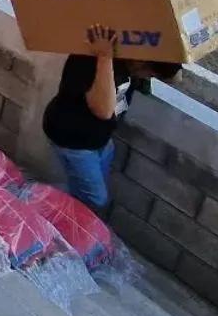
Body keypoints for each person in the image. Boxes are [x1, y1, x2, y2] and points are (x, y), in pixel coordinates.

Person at [43, 25, 181, 211]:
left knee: (86, 187)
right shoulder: (90, 59)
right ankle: (51, 211)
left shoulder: (134, 60)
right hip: (73, 140)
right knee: (95, 199)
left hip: (100, 140)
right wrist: (105, 56)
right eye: (149, 72)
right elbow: (103, 110)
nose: (148, 76)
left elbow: (176, 77)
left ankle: (66, 211)